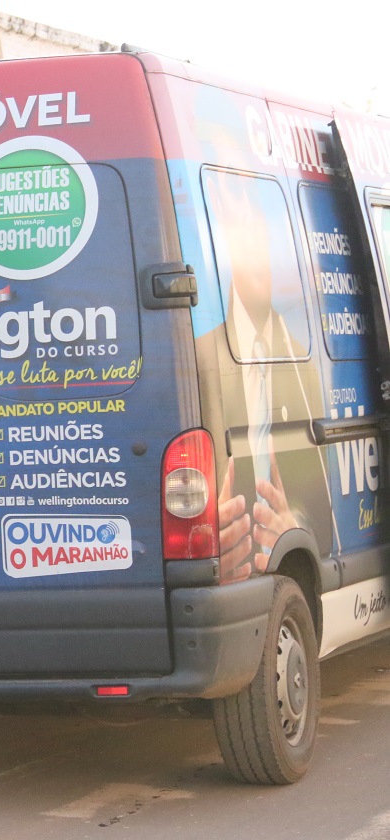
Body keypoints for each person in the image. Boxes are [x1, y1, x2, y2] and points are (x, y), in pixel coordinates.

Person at [201, 172, 331, 581]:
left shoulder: (309, 370)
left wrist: (295, 524)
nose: (252, 223)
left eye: (258, 204)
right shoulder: (195, 358)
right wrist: (204, 542)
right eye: (235, 199)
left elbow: (330, 502)